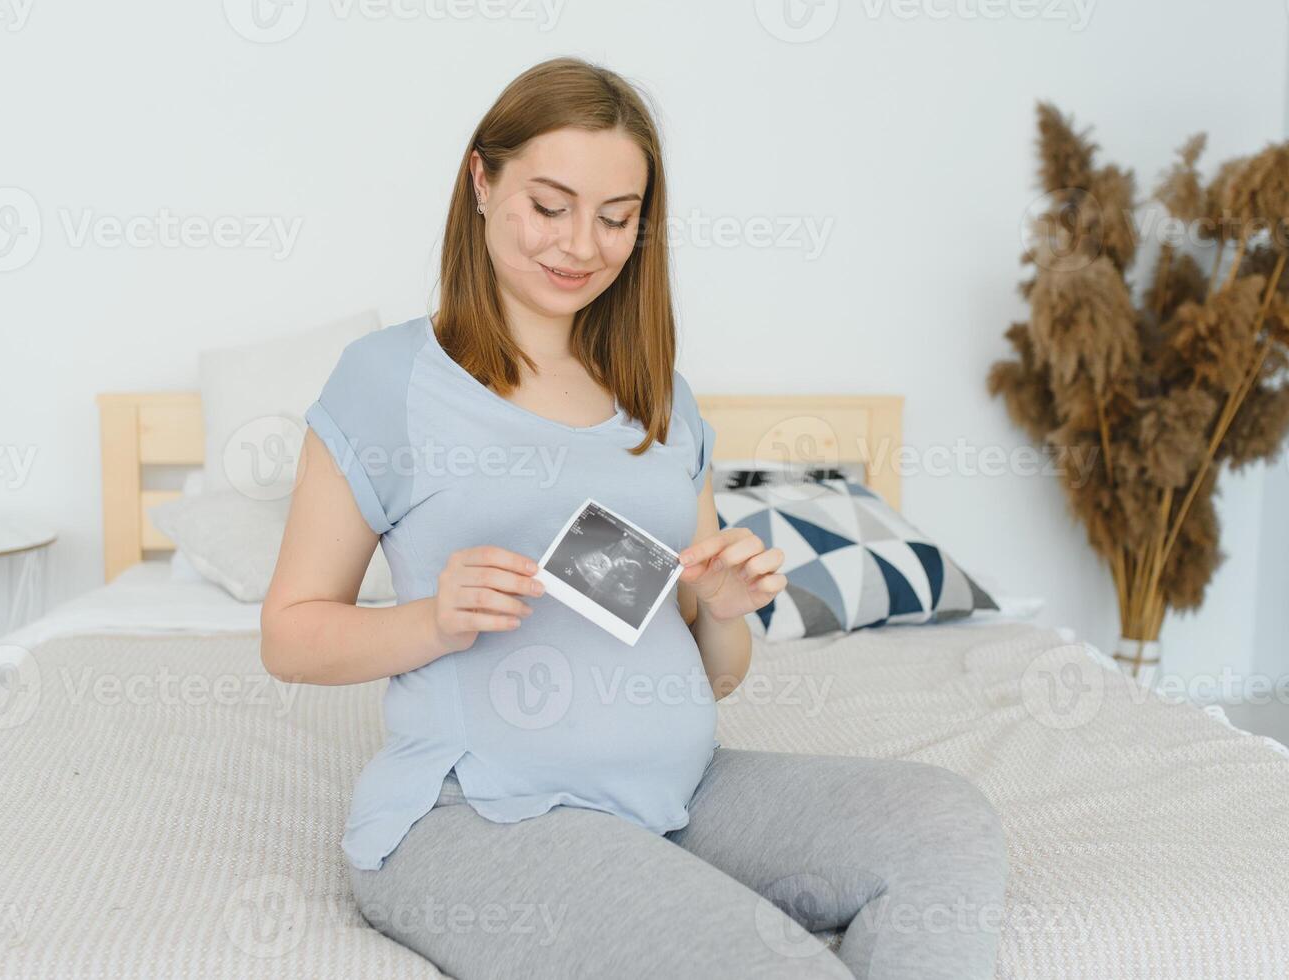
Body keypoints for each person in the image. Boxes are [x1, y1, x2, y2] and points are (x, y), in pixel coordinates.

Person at [260, 56, 1007, 980]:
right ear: (481, 181)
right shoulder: (389, 382)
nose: (581, 244)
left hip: (680, 795)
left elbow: (712, 675)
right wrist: (432, 620)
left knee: (943, 820)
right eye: (551, 204)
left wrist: (723, 612)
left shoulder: (658, 399)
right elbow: (289, 636)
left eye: (616, 218)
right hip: (485, 814)